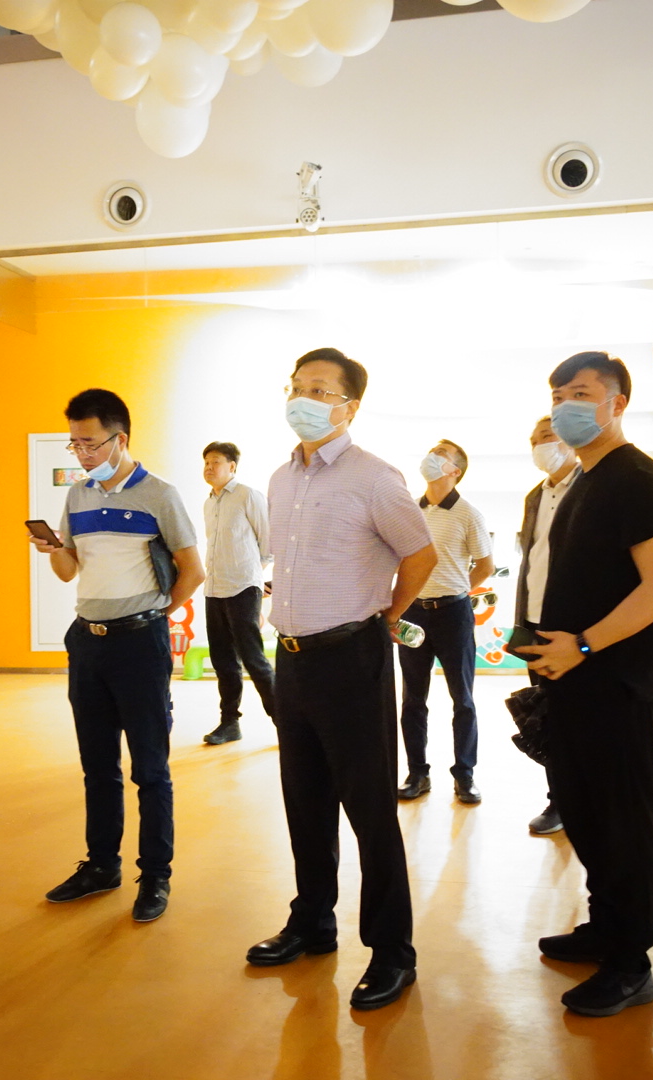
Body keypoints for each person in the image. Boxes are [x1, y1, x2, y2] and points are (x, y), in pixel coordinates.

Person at [244, 347, 437, 1013]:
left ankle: (392, 951)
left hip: (352, 658)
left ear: (349, 406)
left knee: (370, 809)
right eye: (296, 386)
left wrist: (389, 613)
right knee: (304, 800)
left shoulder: (375, 477)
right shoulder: (280, 478)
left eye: (320, 390)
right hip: (292, 658)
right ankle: (312, 922)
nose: (303, 398)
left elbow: (420, 553)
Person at [517, 351, 653, 1017]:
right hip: (572, 684)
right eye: (558, 396)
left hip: (615, 684)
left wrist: (584, 644)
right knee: (584, 812)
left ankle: (632, 963)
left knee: (623, 824)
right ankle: (605, 927)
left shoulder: (635, 477)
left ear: (618, 403)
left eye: (581, 394)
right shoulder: (583, 479)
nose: (565, 407)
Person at [30, 389, 204, 924]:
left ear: (119, 439)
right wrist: (54, 549)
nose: (81, 454)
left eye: (90, 443)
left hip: (139, 644)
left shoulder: (160, 494)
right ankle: (102, 865)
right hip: (87, 641)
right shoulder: (78, 495)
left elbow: (193, 570)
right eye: (75, 444)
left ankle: (155, 876)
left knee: (150, 768)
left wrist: (154, 615)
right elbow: (69, 571)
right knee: (98, 765)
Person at [397, 439, 493, 804]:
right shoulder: (409, 509)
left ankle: (464, 775)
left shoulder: (469, 513)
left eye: (441, 454)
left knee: (462, 699)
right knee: (412, 699)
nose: (431, 457)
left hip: (454, 614)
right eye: (432, 451)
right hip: (413, 612)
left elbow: (485, 565)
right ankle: (417, 773)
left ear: (455, 470)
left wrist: (456, 587)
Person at [512, 416, 577, 835]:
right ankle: (559, 800)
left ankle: (586, 797)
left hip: (574, 629)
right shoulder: (535, 496)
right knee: (545, 716)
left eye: (548, 436)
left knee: (579, 716)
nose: (540, 445)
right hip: (535, 621)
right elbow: (531, 561)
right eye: (534, 439)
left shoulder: (590, 486)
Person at [198, 441, 275, 745]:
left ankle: (287, 724)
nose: (209, 467)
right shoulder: (209, 503)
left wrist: (255, 577)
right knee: (223, 660)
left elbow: (269, 542)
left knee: (253, 659)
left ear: (232, 466)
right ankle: (229, 723)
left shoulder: (247, 495)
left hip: (243, 587)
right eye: (206, 462)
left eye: (215, 461)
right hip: (214, 588)